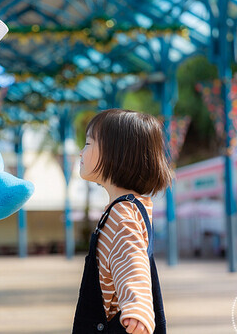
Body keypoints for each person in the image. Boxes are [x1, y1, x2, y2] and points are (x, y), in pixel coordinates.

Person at [72, 109, 172, 334]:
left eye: (88, 144)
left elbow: (132, 259)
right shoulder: (134, 207)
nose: (80, 152)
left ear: (114, 153)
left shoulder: (122, 214)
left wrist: (138, 307)